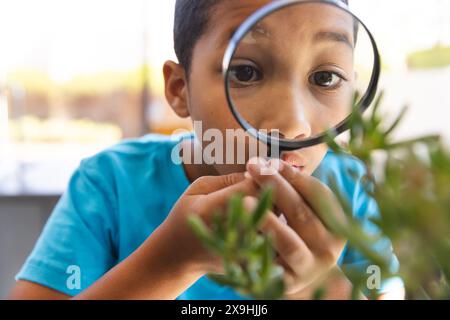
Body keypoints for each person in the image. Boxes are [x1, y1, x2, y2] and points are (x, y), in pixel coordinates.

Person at [9, 0, 404, 300]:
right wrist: (169, 263)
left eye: (326, 77)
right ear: (180, 90)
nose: (291, 125)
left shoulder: (350, 190)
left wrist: (322, 286)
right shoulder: (108, 184)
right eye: (246, 72)